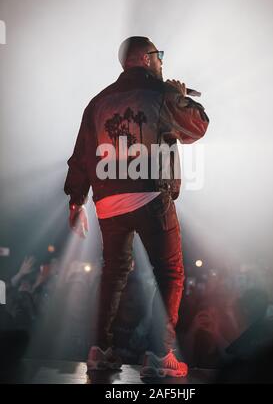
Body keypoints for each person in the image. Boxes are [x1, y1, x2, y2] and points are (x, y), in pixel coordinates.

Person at [64, 36, 209, 377]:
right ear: (146, 58)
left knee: (114, 272)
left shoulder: (97, 102)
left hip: (109, 202)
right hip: (149, 194)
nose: (162, 63)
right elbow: (199, 126)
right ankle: (160, 355)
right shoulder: (160, 94)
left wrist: (76, 201)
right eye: (159, 56)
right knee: (170, 272)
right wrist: (179, 96)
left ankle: (101, 349)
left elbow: (82, 155)